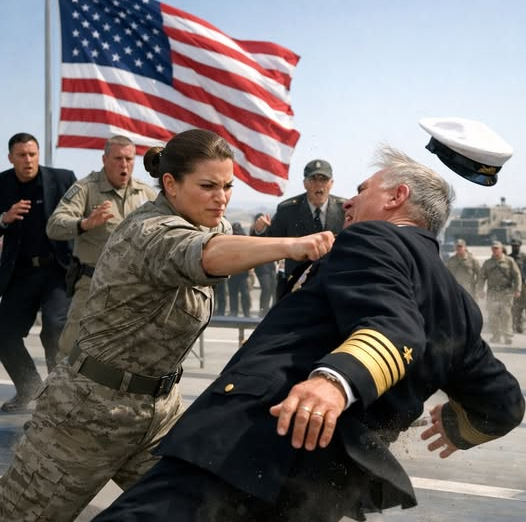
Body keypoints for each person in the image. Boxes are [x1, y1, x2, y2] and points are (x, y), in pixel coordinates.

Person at [93, 145, 525, 522]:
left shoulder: (373, 238)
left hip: (251, 442)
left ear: (397, 198)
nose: (348, 203)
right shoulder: (459, 303)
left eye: (361, 191)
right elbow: (504, 404)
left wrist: (334, 383)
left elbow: (396, 329)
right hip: (320, 488)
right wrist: (459, 426)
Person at [0, 129, 334, 522]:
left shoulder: (211, 225)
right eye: (208, 186)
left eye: (227, 186)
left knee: (201, 513)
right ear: (171, 185)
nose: (221, 197)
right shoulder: (149, 230)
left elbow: (217, 240)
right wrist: (291, 245)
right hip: (88, 414)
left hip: (158, 413)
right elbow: (203, 253)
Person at [46, 135, 157, 357]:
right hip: (94, 284)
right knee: (72, 349)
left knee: (132, 352)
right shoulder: (86, 188)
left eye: (129, 159)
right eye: (118, 158)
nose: (124, 165)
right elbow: (54, 226)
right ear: (104, 159)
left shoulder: (146, 194)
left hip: (135, 287)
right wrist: (84, 224)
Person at [0, 133, 76, 412]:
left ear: (38, 154)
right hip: (20, 273)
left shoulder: (63, 179)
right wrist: (4, 218)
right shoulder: (2, 184)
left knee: (55, 329)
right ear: (11, 158)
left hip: (57, 271)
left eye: (32, 154)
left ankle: (57, 397)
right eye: (21, 155)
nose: (28, 160)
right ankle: (29, 389)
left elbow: (79, 216)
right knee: (3, 332)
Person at [253, 159, 346, 299]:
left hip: (333, 284)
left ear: (331, 183)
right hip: (297, 285)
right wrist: (260, 230)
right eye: (313, 180)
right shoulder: (288, 209)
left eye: (323, 180)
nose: (318, 185)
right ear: (305, 183)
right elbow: (271, 241)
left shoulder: (344, 209)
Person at [478, 240, 521, 344]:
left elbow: (517, 276)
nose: (495, 250)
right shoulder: (488, 263)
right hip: (492, 292)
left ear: (501, 249)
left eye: (497, 248)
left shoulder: (509, 261)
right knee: (493, 315)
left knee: (506, 314)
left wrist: (518, 289)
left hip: (506, 292)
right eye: (493, 248)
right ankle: (496, 335)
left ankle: (507, 336)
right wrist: (480, 290)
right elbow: (482, 277)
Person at [250, 212, 277, 317]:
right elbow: (256, 237)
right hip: (261, 266)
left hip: (271, 265)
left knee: (274, 288)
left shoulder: (268, 230)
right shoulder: (254, 231)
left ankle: (271, 311)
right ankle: (263, 310)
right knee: (266, 288)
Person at [227, 222, 252, 317]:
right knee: (234, 293)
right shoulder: (229, 241)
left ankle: (246, 312)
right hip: (233, 273)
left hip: (242, 273)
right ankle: (234, 312)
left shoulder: (244, 241)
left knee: (244, 294)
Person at [509, 237, 526, 333]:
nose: (514, 247)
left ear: (520, 246)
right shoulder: (509, 257)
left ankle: (520, 326)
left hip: (523, 285)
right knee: (512, 306)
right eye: (513, 246)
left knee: (521, 306)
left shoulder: (524, 257)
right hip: (511, 285)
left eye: (516, 246)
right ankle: (512, 325)